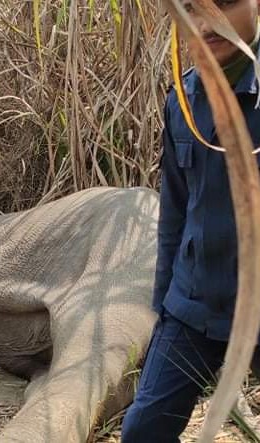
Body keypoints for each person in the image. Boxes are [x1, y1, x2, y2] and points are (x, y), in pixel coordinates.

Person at [121, 0, 260, 441]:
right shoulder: (182, 100)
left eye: (225, 4)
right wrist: (163, 305)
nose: (206, 24)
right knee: (143, 431)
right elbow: (175, 211)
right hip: (194, 304)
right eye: (190, 9)